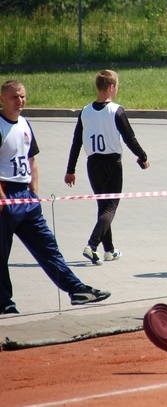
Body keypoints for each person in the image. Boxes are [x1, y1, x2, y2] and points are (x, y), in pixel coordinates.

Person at [1, 80, 110, 314]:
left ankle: (77, 290)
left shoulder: (24, 124)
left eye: (22, 96)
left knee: (48, 248)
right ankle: (5, 303)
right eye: (14, 97)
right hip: (4, 195)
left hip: (25, 198)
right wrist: (2, 199)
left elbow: (32, 160)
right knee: (1, 254)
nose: (20, 101)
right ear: (2, 99)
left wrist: (34, 193)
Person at [65, 70, 150, 264]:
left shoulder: (85, 111)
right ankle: (91, 245)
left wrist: (70, 169)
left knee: (103, 207)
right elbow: (130, 138)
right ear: (111, 87)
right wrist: (142, 157)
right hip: (112, 163)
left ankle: (109, 250)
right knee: (110, 208)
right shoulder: (116, 110)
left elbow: (76, 142)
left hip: (93, 164)